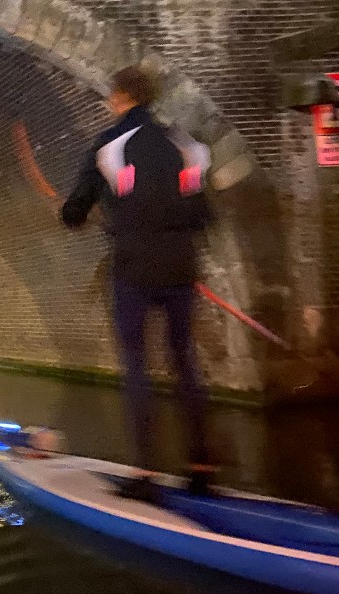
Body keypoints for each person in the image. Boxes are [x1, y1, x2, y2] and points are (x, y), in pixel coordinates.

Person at [61, 66, 216, 501]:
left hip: (133, 269)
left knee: (136, 364)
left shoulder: (107, 147)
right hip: (181, 268)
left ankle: (145, 473)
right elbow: (204, 213)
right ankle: (201, 470)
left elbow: (75, 211)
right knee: (184, 360)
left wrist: (77, 213)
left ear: (121, 96)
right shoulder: (187, 145)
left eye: (112, 96)